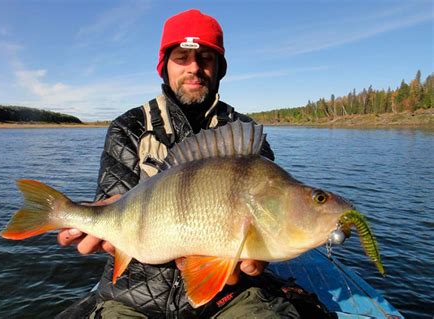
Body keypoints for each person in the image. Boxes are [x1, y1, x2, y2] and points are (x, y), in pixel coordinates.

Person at [57, 9, 303, 318]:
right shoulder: (128, 126)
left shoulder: (246, 135)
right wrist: (98, 222)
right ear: (164, 66)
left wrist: (259, 255)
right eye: (182, 57)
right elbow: (114, 203)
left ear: (219, 68)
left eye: (206, 58)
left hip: (230, 296)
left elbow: (266, 222)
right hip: (133, 293)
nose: (194, 68)